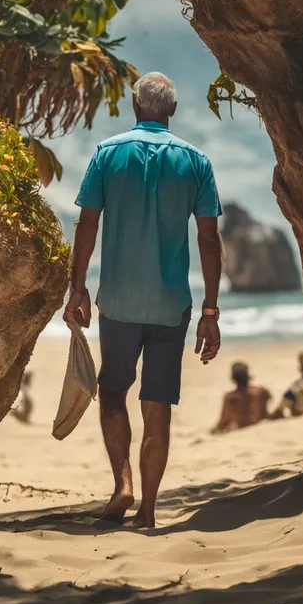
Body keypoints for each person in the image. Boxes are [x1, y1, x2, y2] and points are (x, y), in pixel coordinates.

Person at [63, 72, 223, 528]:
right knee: (158, 407)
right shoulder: (197, 161)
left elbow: (87, 225)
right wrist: (210, 312)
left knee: (112, 391)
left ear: (135, 106)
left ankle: (124, 484)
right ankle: (149, 510)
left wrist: (78, 289)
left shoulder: (107, 153)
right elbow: (208, 239)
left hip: (119, 302)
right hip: (171, 307)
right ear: (171, 111)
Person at [210, 362, 272, 433]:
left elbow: (223, 421)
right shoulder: (262, 391)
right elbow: (266, 409)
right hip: (261, 424)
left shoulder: (231, 397)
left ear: (233, 378)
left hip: (244, 428)